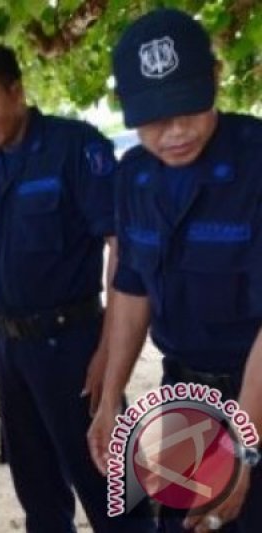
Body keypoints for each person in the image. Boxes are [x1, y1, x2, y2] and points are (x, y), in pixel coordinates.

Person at [0, 42, 154, 532]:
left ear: (17, 91)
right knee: (38, 492)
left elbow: (119, 247)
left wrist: (108, 354)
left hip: (73, 345)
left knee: (114, 492)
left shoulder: (76, 146)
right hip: (12, 352)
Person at [88, 8, 262, 533]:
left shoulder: (257, 163)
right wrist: (109, 396)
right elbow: (132, 286)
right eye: (154, 116)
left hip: (255, 391)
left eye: (187, 107)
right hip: (186, 393)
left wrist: (244, 448)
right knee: (184, 523)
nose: (174, 131)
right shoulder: (134, 176)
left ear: (214, 78)